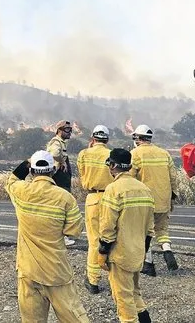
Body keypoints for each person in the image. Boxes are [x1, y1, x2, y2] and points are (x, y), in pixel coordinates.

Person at [5, 150, 90, 323]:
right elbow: (73, 230)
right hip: (56, 271)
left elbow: (11, 180)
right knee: (74, 317)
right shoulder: (65, 198)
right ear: (52, 171)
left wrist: (27, 163)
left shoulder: (21, 191)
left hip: (28, 271)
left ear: (32, 171)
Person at [97, 148, 155, 323]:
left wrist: (102, 252)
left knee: (123, 298)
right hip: (138, 252)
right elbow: (149, 228)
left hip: (120, 254)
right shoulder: (145, 189)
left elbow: (107, 227)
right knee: (135, 292)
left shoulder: (113, 190)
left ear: (113, 166)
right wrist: (143, 251)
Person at [130, 125, 180, 275]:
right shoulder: (164, 154)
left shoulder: (135, 154)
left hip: (144, 202)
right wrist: (172, 196)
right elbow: (173, 178)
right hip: (163, 199)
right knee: (162, 229)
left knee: (144, 233)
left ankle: (148, 264)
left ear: (138, 138)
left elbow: (130, 178)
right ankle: (167, 251)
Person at [76, 125, 115, 294]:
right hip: (112, 198)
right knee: (111, 239)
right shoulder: (112, 154)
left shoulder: (84, 154)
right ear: (107, 139)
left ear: (93, 138)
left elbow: (82, 175)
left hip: (92, 198)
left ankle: (93, 281)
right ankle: (115, 280)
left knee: (94, 241)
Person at [47, 120, 75, 246]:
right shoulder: (56, 142)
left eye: (71, 130)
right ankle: (60, 236)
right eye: (67, 130)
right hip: (59, 178)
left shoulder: (61, 143)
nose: (70, 132)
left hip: (62, 178)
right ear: (60, 130)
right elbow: (55, 153)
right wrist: (62, 161)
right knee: (61, 207)